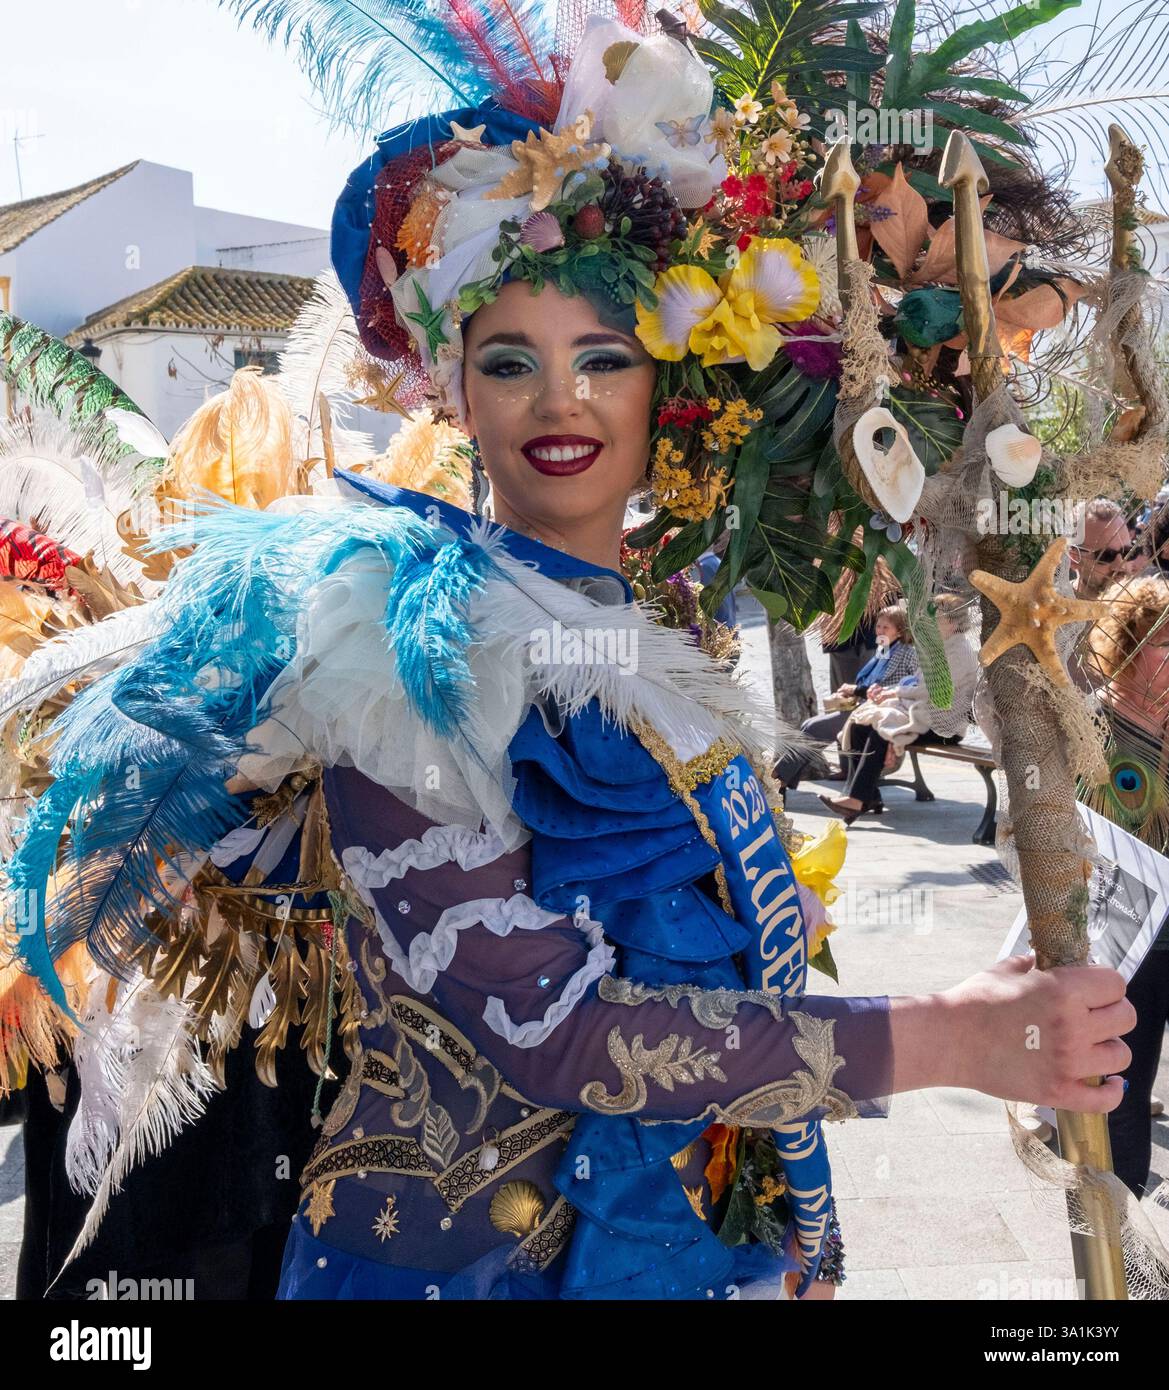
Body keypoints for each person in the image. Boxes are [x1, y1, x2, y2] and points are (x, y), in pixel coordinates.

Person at [6, 11, 1133, 1306]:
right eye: (509, 359)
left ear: (673, 382)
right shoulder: (394, 638)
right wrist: (948, 1037)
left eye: (606, 354)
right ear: (450, 387)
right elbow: (558, 1034)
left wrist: (780, 1231)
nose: (562, 399)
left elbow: (713, 959)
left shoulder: (653, 624)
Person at [1085, 574, 1169, 1199]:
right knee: (1125, 1094)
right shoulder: (1091, 729)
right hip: (1128, 945)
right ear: (1132, 647)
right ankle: (1129, 1268)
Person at [818, 594, 981, 824]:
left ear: (952, 624)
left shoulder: (958, 651)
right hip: (925, 713)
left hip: (943, 725)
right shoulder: (940, 646)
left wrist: (892, 693)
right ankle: (867, 796)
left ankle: (856, 799)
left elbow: (931, 690)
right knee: (859, 725)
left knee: (881, 729)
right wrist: (889, 692)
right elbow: (915, 683)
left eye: (936, 618)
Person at [774, 605, 917, 796]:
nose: (880, 631)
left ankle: (777, 779)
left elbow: (903, 687)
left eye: (886, 628)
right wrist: (853, 691)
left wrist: (856, 689)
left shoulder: (906, 653)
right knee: (808, 725)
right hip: (865, 708)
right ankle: (781, 781)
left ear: (899, 631)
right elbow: (871, 682)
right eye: (879, 627)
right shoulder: (884, 649)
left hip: (882, 712)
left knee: (812, 729)